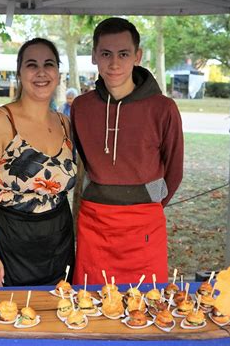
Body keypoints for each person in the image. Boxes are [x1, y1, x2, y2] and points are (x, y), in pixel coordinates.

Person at [71, 18, 184, 285]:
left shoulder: (163, 108)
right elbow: (84, 161)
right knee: (90, 307)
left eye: (123, 54)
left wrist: (147, 202)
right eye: (106, 54)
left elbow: (174, 170)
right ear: (94, 57)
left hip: (144, 223)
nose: (114, 63)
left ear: (138, 56)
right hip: (95, 224)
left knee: (146, 307)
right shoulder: (81, 107)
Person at [0, 38, 77, 287]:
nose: (41, 72)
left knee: (59, 316)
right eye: (31, 65)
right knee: (7, 320)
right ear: (19, 73)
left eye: (49, 64)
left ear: (58, 73)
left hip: (59, 242)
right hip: (7, 243)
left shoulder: (64, 123)